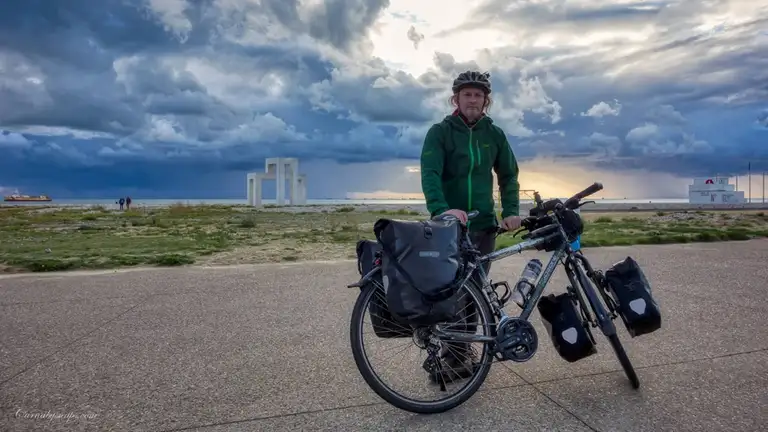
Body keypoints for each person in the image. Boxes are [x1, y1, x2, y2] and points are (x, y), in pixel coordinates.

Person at [419, 70, 523, 382]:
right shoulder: (440, 132)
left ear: (486, 101)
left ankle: (459, 356)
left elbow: (508, 175)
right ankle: (446, 355)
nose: (473, 99)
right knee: (449, 294)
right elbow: (430, 173)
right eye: (467, 94)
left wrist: (512, 211)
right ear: (456, 99)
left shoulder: (494, 134)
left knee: (473, 293)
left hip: (483, 228)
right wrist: (441, 210)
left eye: (478, 95)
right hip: (448, 229)